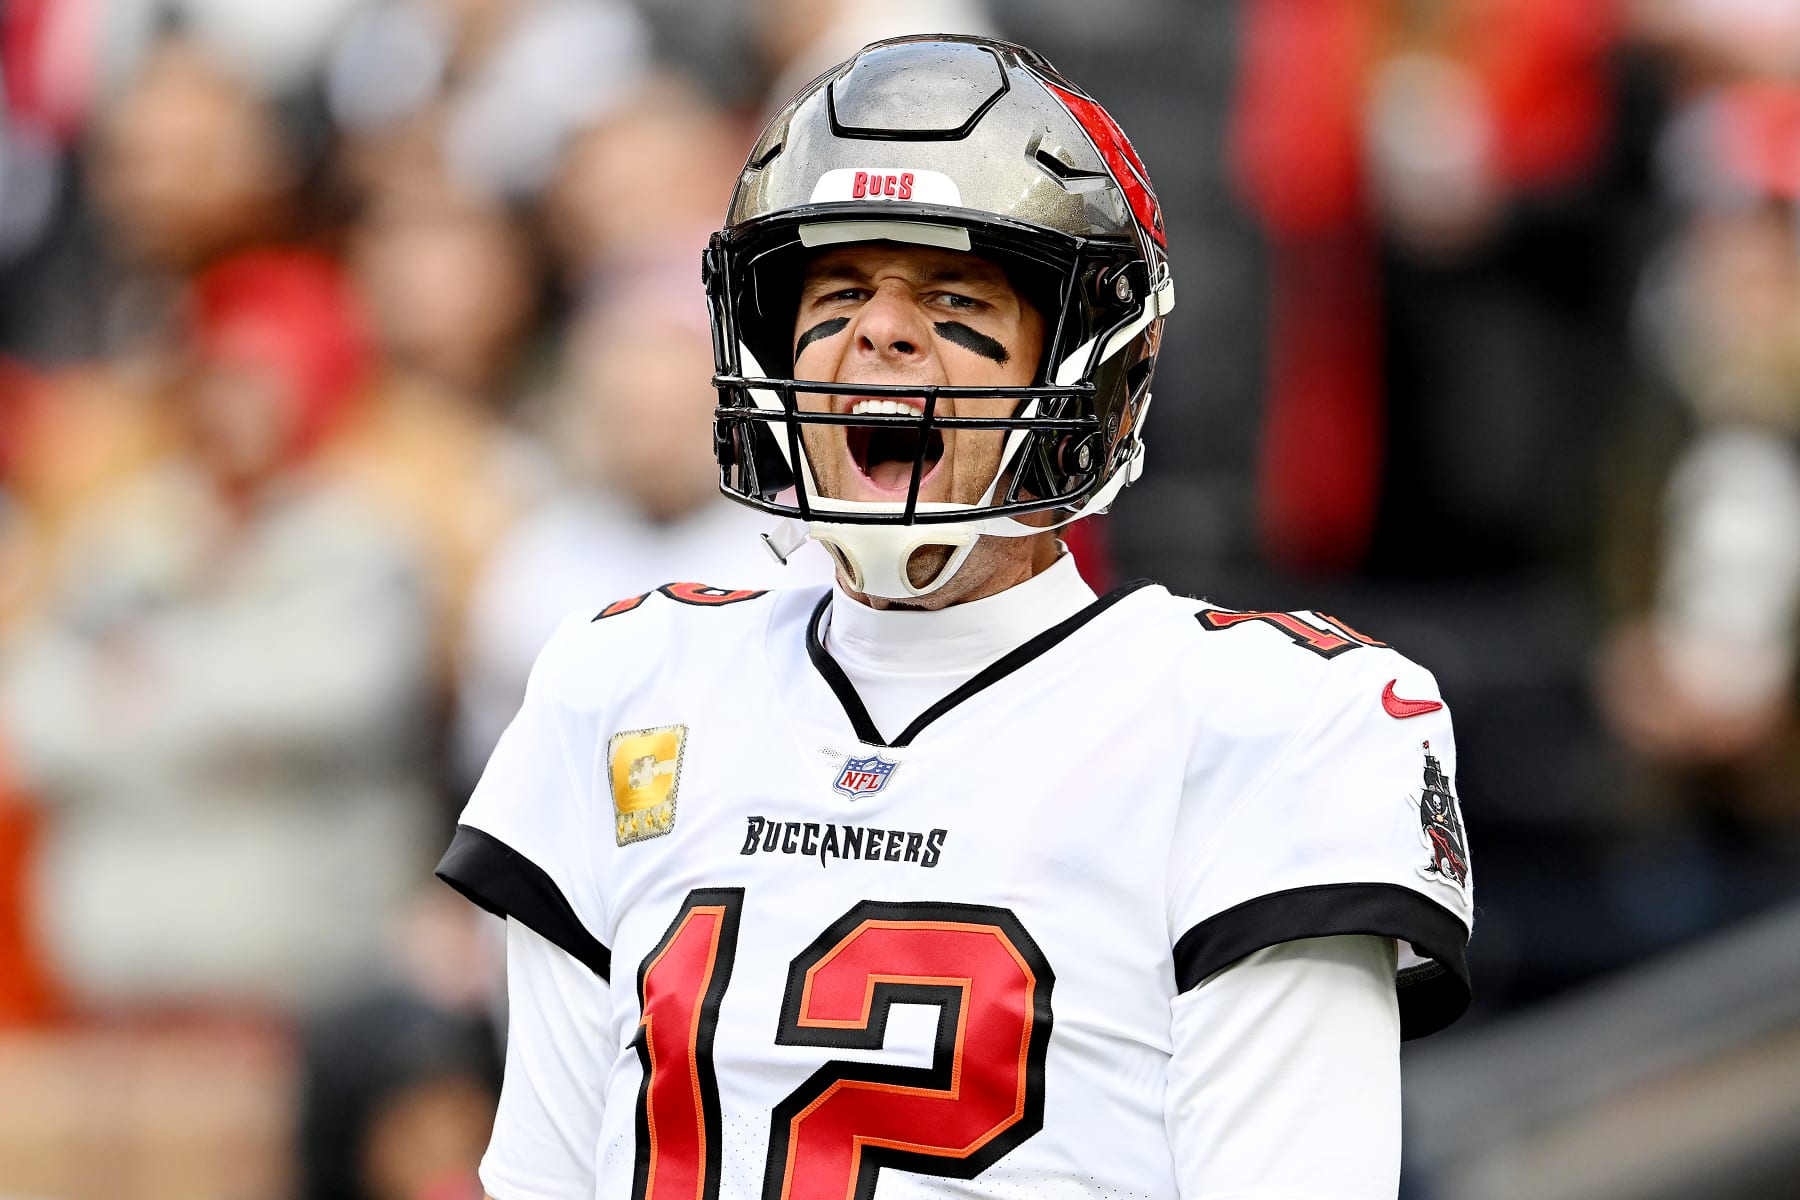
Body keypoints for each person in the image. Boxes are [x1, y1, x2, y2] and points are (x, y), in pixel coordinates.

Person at [437, 35, 1474, 1200]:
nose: (879, 332)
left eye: (953, 294)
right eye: (838, 291)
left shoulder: (1261, 724)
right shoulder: (626, 679)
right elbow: (545, 1177)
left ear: (1088, 366)